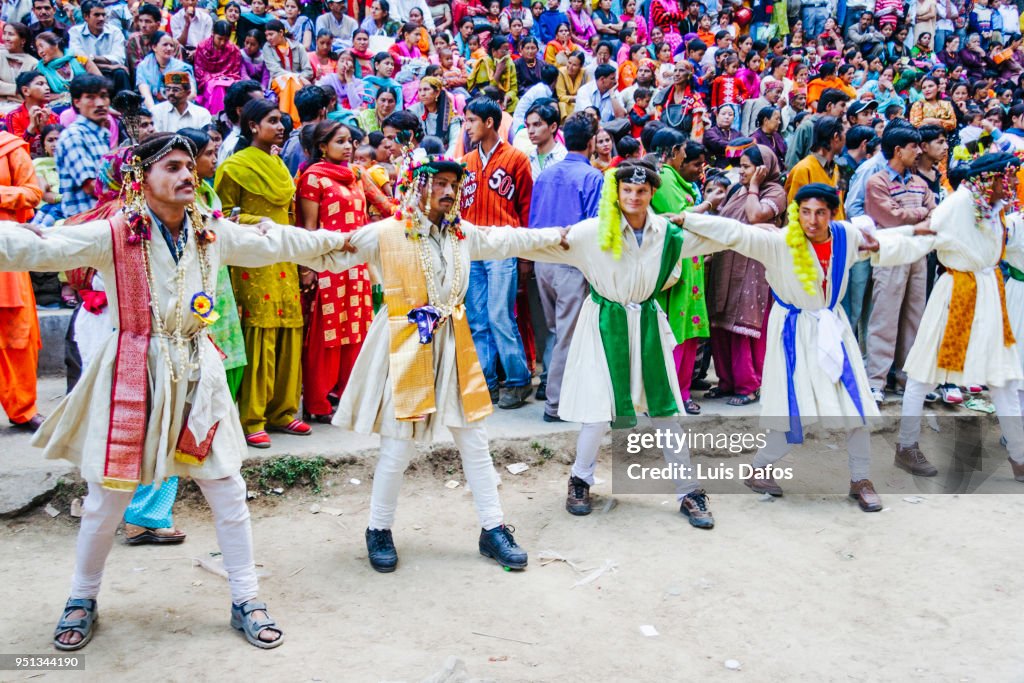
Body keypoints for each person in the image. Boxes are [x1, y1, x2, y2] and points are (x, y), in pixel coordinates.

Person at [0, 133, 361, 651]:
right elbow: (37, 246)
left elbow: (280, 242)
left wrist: (351, 242)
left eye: (190, 166)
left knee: (228, 490)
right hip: (132, 373)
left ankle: (246, 597)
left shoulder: (212, 230)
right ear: (141, 179)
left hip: (198, 373)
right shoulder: (113, 233)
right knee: (106, 501)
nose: (187, 175)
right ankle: (82, 597)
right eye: (171, 167)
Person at [328, 150, 570, 571]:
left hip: (452, 344)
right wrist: (268, 237)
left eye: (452, 185)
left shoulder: (463, 233)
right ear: (417, 185)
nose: (447, 192)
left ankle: (493, 528)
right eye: (437, 183)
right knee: (396, 448)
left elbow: (510, 239)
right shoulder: (386, 232)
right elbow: (330, 248)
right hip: (403, 345)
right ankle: (378, 529)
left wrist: (558, 236)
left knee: (474, 441)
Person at [678, 183, 933, 511]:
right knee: (794, 410)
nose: (812, 220)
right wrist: (688, 219)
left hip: (833, 329)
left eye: (820, 213)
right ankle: (759, 469)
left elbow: (885, 243)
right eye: (805, 212)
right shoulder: (779, 241)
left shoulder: (845, 237)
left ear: (832, 214)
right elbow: (734, 233)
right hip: (792, 333)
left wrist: (917, 231)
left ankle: (861, 479)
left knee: (855, 405)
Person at [887, 153, 1024, 482]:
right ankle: (906, 445)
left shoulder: (997, 210)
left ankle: (1019, 456)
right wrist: (878, 245)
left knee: (1002, 376)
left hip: (989, 295)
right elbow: (923, 236)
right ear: (990, 179)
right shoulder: (959, 202)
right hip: (957, 294)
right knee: (923, 374)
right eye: (1010, 177)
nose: (1016, 184)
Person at [215, 99, 311, 448]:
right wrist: (260, 223)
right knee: (260, 331)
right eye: (273, 121)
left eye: (282, 120)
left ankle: (283, 411)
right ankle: (251, 417)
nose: (281, 126)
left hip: (284, 256)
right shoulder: (233, 167)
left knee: (289, 329)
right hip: (252, 260)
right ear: (252, 125)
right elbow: (223, 214)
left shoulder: (279, 165)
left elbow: (289, 212)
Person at [296, 120, 395, 421]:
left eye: (350, 140)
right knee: (325, 335)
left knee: (356, 329)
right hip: (328, 266)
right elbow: (309, 229)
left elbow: (387, 207)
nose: (348, 146)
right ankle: (318, 403)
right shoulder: (313, 178)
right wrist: (307, 268)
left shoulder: (357, 174)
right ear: (322, 147)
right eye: (340, 141)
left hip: (357, 267)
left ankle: (348, 395)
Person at [459, 97, 535, 408]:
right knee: (477, 319)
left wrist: (526, 255)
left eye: (472, 120)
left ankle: (518, 380)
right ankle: (487, 383)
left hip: (504, 247)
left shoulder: (517, 159)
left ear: (489, 122)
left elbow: (526, 209)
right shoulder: (464, 162)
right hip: (473, 249)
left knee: (500, 315)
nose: (467, 126)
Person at [527, 111, 599, 420]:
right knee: (568, 333)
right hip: (571, 262)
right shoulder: (592, 177)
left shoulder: (546, 174)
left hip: (544, 261)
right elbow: (594, 227)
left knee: (557, 331)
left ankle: (557, 393)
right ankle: (555, 404)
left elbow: (534, 221)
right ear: (592, 141)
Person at [707, 144, 787, 405]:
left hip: (753, 269)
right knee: (722, 323)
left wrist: (754, 185)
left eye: (746, 167)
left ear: (763, 169)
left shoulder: (774, 192)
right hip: (726, 263)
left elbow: (755, 216)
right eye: (740, 167)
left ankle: (749, 385)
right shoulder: (737, 190)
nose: (741, 172)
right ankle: (726, 381)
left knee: (744, 326)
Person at [863, 127, 936, 404]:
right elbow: (889, 217)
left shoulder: (920, 183)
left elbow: (935, 214)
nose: (919, 151)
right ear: (897, 150)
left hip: (917, 257)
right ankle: (876, 382)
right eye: (913, 146)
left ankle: (908, 380)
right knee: (884, 317)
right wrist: (919, 217)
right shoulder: (877, 182)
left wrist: (914, 218)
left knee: (914, 319)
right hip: (891, 256)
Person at [648, 132, 714, 415]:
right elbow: (682, 216)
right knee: (674, 334)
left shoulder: (675, 180)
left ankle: (682, 392)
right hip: (676, 267)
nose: (686, 158)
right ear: (674, 151)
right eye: (684, 152)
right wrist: (709, 203)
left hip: (690, 264)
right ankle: (671, 395)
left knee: (687, 333)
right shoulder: (662, 181)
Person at [0, 128, 44, 432]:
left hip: (7, 251)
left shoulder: (10, 147)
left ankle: (23, 409)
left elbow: (33, 192)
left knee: (17, 332)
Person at [55, 75, 110, 219]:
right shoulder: (74, 136)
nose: (99, 103)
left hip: (104, 217)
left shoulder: (103, 134)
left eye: (103, 96)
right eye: (90, 97)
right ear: (77, 102)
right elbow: (91, 186)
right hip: (85, 222)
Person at [785, 116, 847, 218]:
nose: (845, 140)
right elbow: (794, 211)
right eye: (844, 135)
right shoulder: (803, 169)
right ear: (836, 137)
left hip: (835, 232)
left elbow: (840, 208)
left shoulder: (839, 169)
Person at [68, 0, 129, 93]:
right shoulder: (75, 32)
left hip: (111, 73)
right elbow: (79, 60)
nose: (101, 18)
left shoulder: (115, 31)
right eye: (97, 15)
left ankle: (126, 105)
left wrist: (91, 58)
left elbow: (118, 59)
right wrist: (109, 66)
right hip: (86, 72)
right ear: (86, 16)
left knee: (121, 73)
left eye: (103, 15)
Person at [262, 19, 314, 126]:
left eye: (271, 34)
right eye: (266, 35)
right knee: (289, 81)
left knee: (291, 82)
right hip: (278, 83)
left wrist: (296, 78)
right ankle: (294, 121)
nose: (268, 38)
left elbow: (308, 71)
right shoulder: (267, 48)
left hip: (298, 83)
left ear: (281, 33)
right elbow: (275, 70)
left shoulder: (298, 47)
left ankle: (289, 120)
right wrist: (294, 77)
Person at [136, 32, 196, 112]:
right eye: (165, 45)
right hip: (151, 110)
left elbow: (192, 93)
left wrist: (171, 110)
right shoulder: (143, 67)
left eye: (171, 45)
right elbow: (146, 95)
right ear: (154, 47)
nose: (169, 48)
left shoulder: (181, 68)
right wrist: (155, 113)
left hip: (177, 108)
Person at [34, 31, 101, 103]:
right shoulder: (41, 69)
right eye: (37, 49)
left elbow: (100, 81)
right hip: (62, 106)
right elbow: (40, 95)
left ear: (55, 44)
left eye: (41, 46)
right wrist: (62, 96)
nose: (40, 52)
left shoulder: (79, 58)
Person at [194, 20, 243, 116]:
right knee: (218, 87)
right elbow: (199, 70)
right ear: (213, 33)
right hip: (208, 81)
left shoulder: (234, 50)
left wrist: (220, 78)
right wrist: (215, 78)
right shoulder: (202, 47)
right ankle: (218, 116)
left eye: (226, 39)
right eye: (219, 38)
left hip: (228, 80)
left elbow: (235, 72)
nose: (222, 43)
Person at [4, 70, 57, 156]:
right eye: (40, 84)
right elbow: (17, 150)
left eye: (46, 84)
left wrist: (43, 128)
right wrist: (32, 127)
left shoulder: (53, 116)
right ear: (25, 91)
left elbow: (56, 148)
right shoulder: (14, 116)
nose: (47, 88)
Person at [409, 76, 463, 156]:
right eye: (420, 90)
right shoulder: (413, 111)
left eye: (426, 89)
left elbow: (455, 143)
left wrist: (443, 160)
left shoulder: (451, 116)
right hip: (419, 157)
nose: (422, 94)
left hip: (444, 157)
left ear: (437, 93)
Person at [0, 22, 38, 108]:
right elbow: (26, 89)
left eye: (11, 34)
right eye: (4, 33)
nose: (6, 38)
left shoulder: (33, 63)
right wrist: (17, 89)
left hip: (22, 108)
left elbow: (32, 90)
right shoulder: (0, 55)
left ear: (23, 41)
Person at [554, 49, 587, 118]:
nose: (570, 67)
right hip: (566, 104)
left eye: (574, 65)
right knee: (562, 105)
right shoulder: (561, 72)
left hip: (581, 103)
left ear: (581, 66)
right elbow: (561, 97)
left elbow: (588, 93)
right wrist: (577, 98)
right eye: (569, 63)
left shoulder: (585, 73)